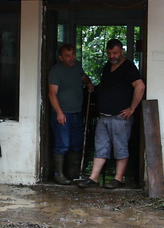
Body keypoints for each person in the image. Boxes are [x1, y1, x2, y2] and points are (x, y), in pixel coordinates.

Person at [75, 38, 144, 189]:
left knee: (120, 147)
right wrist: (95, 87)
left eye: (115, 53)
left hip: (120, 116)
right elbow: (107, 85)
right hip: (104, 115)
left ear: (122, 51)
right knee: (100, 147)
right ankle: (93, 178)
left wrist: (132, 108)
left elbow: (140, 86)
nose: (112, 56)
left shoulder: (129, 68)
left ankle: (118, 178)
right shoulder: (108, 66)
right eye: (109, 53)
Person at [46, 43, 90, 184]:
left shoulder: (77, 66)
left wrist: (89, 84)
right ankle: (58, 175)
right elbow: (52, 94)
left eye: (73, 55)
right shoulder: (56, 71)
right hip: (63, 114)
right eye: (68, 56)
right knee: (62, 144)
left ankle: (73, 173)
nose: (72, 58)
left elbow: (83, 78)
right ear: (61, 58)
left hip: (77, 113)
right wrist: (59, 113)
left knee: (76, 144)